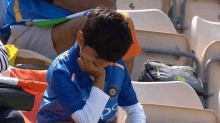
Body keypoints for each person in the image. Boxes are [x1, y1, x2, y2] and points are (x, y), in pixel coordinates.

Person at [37, 7, 147, 123]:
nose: (101, 64)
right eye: (97, 57)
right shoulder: (61, 70)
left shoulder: (115, 62)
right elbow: (85, 120)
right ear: (80, 39)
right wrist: (100, 78)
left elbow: (134, 108)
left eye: (107, 60)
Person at [2, 0, 140, 75]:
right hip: (26, 30)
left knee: (122, 24)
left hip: (69, 26)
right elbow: (105, 4)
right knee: (96, 25)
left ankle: (115, 103)